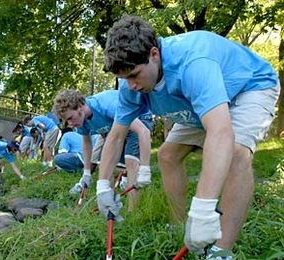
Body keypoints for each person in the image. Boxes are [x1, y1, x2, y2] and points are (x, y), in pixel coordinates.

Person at [96, 14, 280, 259]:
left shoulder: (192, 63)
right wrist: (102, 186)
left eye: (135, 75)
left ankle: (220, 250)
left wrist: (204, 208)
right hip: (197, 101)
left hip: (248, 87)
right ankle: (180, 225)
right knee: (168, 154)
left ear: (154, 54)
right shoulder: (131, 85)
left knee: (236, 153)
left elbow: (220, 131)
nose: (131, 85)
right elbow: (117, 136)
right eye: (124, 78)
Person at [52, 89, 153, 211]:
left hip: (138, 119)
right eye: (67, 121)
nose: (70, 124)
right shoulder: (81, 122)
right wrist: (87, 172)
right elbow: (87, 143)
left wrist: (145, 168)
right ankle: (108, 207)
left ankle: (133, 211)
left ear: (80, 106)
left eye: (70, 118)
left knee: (131, 162)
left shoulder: (106, 106)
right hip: (117, 127)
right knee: (104, 166)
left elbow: (143, 131)